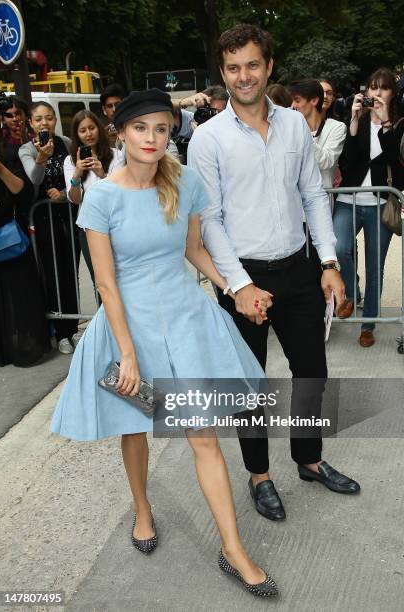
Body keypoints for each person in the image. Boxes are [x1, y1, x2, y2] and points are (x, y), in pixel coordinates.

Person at [50, 89, 279, 598]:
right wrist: (127, 353)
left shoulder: (184, 183)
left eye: (160, 128)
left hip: (184, 322)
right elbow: (106, 284)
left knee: (203, 436)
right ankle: (142, 509)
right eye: (140, 128)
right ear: (121, 133)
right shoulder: (101, 197)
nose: (151, 138)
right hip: (128, 329)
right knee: (134, 427)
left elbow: (195, 250)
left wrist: (235, 289)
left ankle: (232, 549)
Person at [188, 23, 361, 523]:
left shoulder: (293, 126)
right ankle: (260, 476)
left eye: (252, 65)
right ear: (223, 73)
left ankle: (308, 459)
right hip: (243, 278)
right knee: (249, 386)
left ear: (269, 67)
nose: (244, 76)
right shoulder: (207, 139)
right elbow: (211, 219)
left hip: (300, 269)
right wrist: (239, 286)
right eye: (233, 67)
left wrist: (328, 262)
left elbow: (312, 195)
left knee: (312, 372)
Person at [333, 68, 404, 347]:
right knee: (339, 248)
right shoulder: (356, 121)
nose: (376, 93)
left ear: (392, 93)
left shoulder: (399, 125)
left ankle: (368, 324)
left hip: (380, 203)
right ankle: (351, 292)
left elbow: (394, 162)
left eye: (383, 88)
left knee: (376, 267)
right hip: (347, 199)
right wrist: (352, 120)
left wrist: (385, 122)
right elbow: (346, 162)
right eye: (372, 87)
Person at [19, 102, 81, 355]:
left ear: (55, 120)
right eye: (38, 119)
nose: (44, 123)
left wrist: (65, 196)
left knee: (71, 272)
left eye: (48, 118)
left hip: (70, 214)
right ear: (31, 124)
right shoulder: (26, 149)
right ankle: (60, 332)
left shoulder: (66, 142)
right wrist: (42, 158)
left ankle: (73, 327)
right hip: (44, 219)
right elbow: (33, 180)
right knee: (53, 273)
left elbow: (77, 176)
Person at [0, 141, 50, 367]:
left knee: (22, 296)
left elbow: (24, 192)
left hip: (13, 241)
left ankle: (27, 345)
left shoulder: (8, 155)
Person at [64, 110, 125, 290]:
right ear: (76, 134)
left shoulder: (115, 155)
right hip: (89, 229)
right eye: (83, 130)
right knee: (101, 284)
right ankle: (106, 318)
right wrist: (77, 175)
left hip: (115, 226)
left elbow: (120, 192)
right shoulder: (70, 161)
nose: (88, 134)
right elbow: (75, 199)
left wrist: (102, 174)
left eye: (92, 128)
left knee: (122, 280)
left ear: (99, 129)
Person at [289, 79, 347, 189]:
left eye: (297, 100)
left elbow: (326, 161)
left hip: (321, 198)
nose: (293, 105)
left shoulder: (337, 127)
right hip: (294, 198)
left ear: (314, 100)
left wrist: (301, 131)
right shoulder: (291, 128)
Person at [100, 83, 125, 147]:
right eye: (109, 106)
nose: (114, 109)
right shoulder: (101, 136)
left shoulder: (136, 129)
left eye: (117, 104)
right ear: (104, 110)